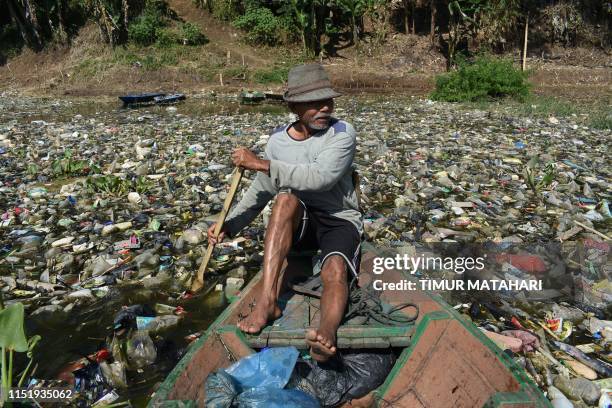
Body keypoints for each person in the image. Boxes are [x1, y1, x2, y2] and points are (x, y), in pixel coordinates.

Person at [207, 63, 362, 362]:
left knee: (334, 271)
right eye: (313, 104)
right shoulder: (278, 140)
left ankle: (326, 334)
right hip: (300, 220)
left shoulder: (342, 133)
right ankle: (268, 303)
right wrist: (231, 224)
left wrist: (261, 163)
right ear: (293, 106)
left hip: (338, 218)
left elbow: (320, 177)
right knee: (284, 200)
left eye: (327, 101)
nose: (324, 109)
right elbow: (262, 187)